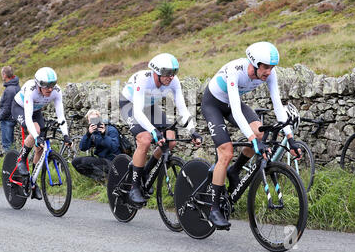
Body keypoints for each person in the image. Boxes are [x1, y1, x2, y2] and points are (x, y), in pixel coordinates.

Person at [201, 41, 302, 229]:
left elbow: (278, 107)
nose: (269, 72)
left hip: (233, 104)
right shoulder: (235, 70)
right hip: (213, 104)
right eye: (265, 68)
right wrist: (252, 142)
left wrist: (291, 139)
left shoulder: (269, 75)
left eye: (272, 68)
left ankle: (234, 170)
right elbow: (237, 113)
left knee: (260, 132)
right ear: (255, 64)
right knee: (226, 152)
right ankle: (214, 208)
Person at [120, 53, 202, 206]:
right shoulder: (143, 79)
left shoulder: (173, 81)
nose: (171, 77)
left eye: (174, 73)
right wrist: (153, 131)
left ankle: (144, 171)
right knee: (145, 140)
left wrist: (192, 130)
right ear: (156, 71)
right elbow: (137, 111)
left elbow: (183, 109)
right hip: (130, 105)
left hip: (149, 106)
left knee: (170, 140)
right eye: (167, 73)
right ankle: (134, 186)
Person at [11, 67, 71, 200]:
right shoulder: (30, 90)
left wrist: (66, 135)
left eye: (52, 85)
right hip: (20, 108)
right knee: (36, 131)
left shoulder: (57, 91)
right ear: (38, 84)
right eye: (46, 86)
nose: (50, 89)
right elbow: (28, 118)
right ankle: (21, 160)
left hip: (36, 111)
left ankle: (32, 182)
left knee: (40, 148)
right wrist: (36, 136)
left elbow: (61, 117)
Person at [72, 109, 121, 181]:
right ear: (89, 121)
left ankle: (108, 178)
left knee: (86, 161)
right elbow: (82, 148)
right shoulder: (93, 133)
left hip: (113, 161)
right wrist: (88, 134)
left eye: (95, 119)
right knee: (75, 162)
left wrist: (104, 135)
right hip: (101, 160)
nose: (94, 122)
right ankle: (101, 179)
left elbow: (114, 147)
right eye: (91, 120)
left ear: (100, 119)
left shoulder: (110, 129)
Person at [0, 66, 21, 151]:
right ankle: (14, 162)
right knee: (11, 146)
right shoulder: (16, 86)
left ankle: (11, 164)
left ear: (4, 75)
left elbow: (7, 109)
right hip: (13, 118)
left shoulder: (9, 90)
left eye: (2, 74)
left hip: (7, 120)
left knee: (7, 147)